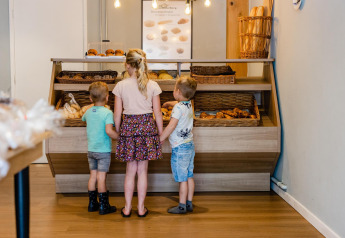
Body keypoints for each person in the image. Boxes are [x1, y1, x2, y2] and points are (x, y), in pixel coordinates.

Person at [113, 49, 163, 218]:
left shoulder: (120, 86)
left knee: (130, 171)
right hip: (147, 128)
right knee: (142, 171)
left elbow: (117, 113)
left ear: (127, 65)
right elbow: (158, 113)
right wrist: (160, 134)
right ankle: (141, 209)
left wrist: (120, 131)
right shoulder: (153, 85)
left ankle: (127, 208)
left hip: (129, 127)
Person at [160, 76, 197, 214]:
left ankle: (181, 206)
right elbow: (178, 103)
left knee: (182, 179)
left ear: (178, 91)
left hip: (179, 148)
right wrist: (169, 104)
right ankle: (189, 202)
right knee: (189, 175)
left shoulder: (177, 108)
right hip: (190, 145)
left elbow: (171, 126)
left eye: (174, 89)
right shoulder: (189, 105)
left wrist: (161, 138)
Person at [82, 81, 119, 215]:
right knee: (101, 178)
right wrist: (118, 137)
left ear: (90, 98)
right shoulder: (107, 113)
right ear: (107, 97)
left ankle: (92, 204)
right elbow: (109, 131)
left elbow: (83, 119)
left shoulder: (88, 111)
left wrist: (91, 107)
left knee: (93, 176)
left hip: (91, 150)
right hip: (103, 151)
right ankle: (104, 206)